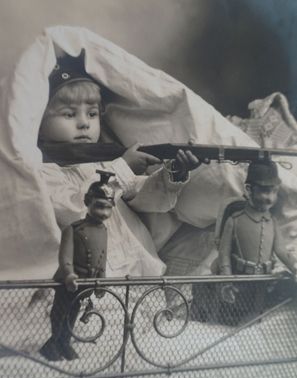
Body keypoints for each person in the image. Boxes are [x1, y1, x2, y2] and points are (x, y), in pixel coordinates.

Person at [39, 51, 201, 279]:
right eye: (69, 114)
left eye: (92, 114)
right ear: (39, 122)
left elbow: (149, 199)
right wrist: (123, 167)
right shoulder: (43, 172)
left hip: (142, 275)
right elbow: (74, 210)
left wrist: (174, 172)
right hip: (96, 285)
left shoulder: (106, 159)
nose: (84, 123)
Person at [40, 170, 116, 361]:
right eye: (99, 206)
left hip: (88, 283)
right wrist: (69, 275)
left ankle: (64, 343)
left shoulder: (104, 231)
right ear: (87, 202)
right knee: (60, 312)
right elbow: (65, 256)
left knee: (73, 314)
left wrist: (101, 281)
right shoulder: (73, 229)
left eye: (108, 207)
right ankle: (52, 344)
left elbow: (102, 258)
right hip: (70, 282)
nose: (104, 213)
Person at [216, 159, 297, 324]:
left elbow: (281, 250)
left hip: (261, 283)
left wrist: (295, 267)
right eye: (265, 191)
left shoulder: (272, 221)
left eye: (274, 191)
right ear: (249, 189)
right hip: (239, 281)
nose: (270, 198)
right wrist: (226, 280)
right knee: (230, 317)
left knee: (256, 318)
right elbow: (224, 254)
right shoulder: (235, 220)